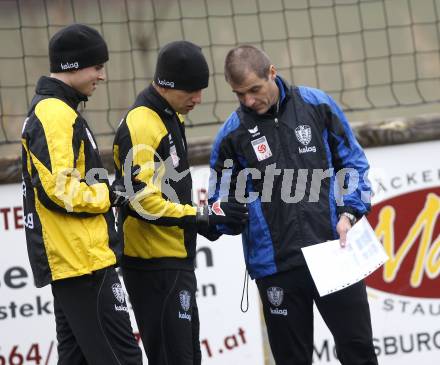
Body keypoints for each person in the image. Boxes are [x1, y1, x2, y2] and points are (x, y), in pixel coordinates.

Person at [208, 45, 378, 365]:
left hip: (333, 251)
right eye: (239, 94)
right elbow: (221, 200)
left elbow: (352, 163)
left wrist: (349, 212)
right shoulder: (231, 135)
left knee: (359, 351)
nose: (248, 100)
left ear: (272, 73)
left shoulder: (317, 105)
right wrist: (223, 216)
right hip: (276, 267)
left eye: (254, 90)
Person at [112, 40, 248, 365]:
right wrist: (202, 217)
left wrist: (206, 224)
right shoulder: (142, 123)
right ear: (167, 83)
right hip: (153, 265)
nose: (198, 99)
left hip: (174, 261)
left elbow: (170, 194)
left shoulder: (171, 114)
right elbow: (142, 201)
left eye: (201, 90)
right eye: (191, 90)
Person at [21, 24, 143, 365]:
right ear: (73, 66)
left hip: (76, 262)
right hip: (82, 263)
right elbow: (58, 189)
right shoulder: (54, 114)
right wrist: (108, 194)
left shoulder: (60, 110)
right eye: (97, 67)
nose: (102, 76)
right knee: (124, 359)